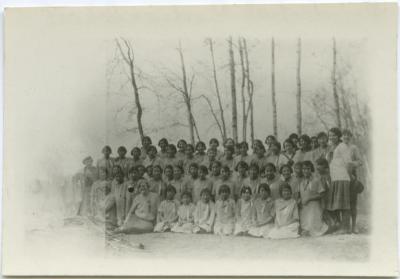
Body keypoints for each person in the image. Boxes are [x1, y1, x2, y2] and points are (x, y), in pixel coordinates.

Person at [326, 127, 353, 234]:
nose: (331, 137)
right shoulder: (331, 147)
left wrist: (349, 176)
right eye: (330, 135)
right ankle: (339, 226)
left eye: (334, 135)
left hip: (342, 177)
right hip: (334, 178)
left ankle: (345, 228)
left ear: (339, 136)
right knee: (337, 203)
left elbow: (349, 163)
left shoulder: (342, 146)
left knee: (344, 203)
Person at [299, 161, 329, 237]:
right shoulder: (301, 181)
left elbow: (322, 194)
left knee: (313, 228)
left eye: (308, 169)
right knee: (304, 226)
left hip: (314, 206)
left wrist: (309, 198)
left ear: (311, 169)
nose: (306, 171)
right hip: (305, 207)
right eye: (304, 169)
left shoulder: (316, 180)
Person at [342, 129, 363, 234]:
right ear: (341, 137)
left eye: (348, 135)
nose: (346, 137)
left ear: (350, 137)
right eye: (344, 135)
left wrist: (351, 164)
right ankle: (345, 226)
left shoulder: (353, 148)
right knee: (343, 202)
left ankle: (354, 226)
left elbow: (360, 161)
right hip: (341, 177)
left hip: (352, 176)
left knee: (353, 202)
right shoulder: (339, 147)